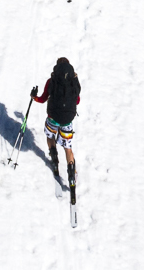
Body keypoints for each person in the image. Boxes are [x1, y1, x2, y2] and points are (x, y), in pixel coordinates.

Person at [32, 56, 80, 192]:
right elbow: (77, 101)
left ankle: (54, 160)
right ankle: (71, 175)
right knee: (68, 148)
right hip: (67, 120)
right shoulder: (74, 82)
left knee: (50, 136)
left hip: (52, 117)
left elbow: (42, 99)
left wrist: (34, 97)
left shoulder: (51, 81)